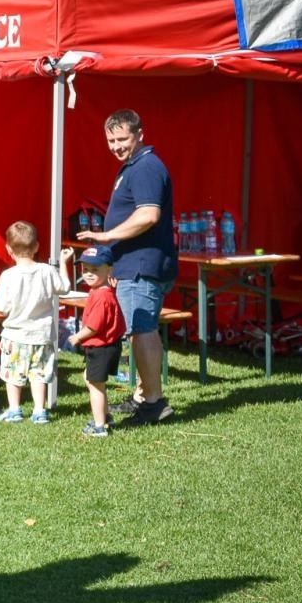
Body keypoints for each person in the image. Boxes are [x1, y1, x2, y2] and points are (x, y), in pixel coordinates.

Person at [77, 108, 177, 426]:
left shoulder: (146, 166)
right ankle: (142, 396)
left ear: (140, 134)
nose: (117, 145)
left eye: (123, 138)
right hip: (130, 265)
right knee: (137, 329)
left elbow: (148, 215)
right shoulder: (132, 167)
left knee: (141, 330)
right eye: (111, 140)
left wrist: (106, 236)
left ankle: (154, 403)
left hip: (142, 264)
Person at [0, 221, 70, 424]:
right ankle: (38, 411)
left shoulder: (7, 276)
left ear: (8, 249)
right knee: (39, 375)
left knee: (12, 374)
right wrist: (63, 263)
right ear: (36, 247)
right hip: (41, 335)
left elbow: (0, 307)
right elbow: (65, 288)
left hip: (15, 335)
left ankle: (15, 409)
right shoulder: (46, 271)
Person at [63, 245, 125, 437]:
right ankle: (104, 417)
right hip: (105, 346)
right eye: (86, 269)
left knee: (95, 385)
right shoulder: (103, 291)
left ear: (109, 270)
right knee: (91, 380)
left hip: (102, 347)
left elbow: (94, 326)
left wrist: (76, 337)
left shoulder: (101, 296)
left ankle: (100, 425)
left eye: (95, 270)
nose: (89, 274)